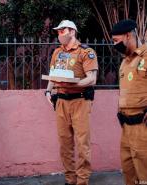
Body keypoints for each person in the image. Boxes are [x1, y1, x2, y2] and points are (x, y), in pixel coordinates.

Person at [45, 20, 98, 185]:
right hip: (61, 101)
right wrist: (48, 91)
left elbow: (92, 79)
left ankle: (82, 180)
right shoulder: (57, 52)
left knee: (83, 144)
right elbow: (53, 75)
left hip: (80, 101)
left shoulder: (86, 52)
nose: (60, 34)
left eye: (63, 31)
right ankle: (70, 179)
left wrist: (73, 84)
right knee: (65, 144)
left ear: (72, 31)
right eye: (58, 32)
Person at [111, 19, 147, 185]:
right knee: (129, 173)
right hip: (126, 126)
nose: (114, 45)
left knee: (144, 174)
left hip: (142, 126)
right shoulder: (125, 62)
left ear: (128, 35)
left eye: (116, 41)